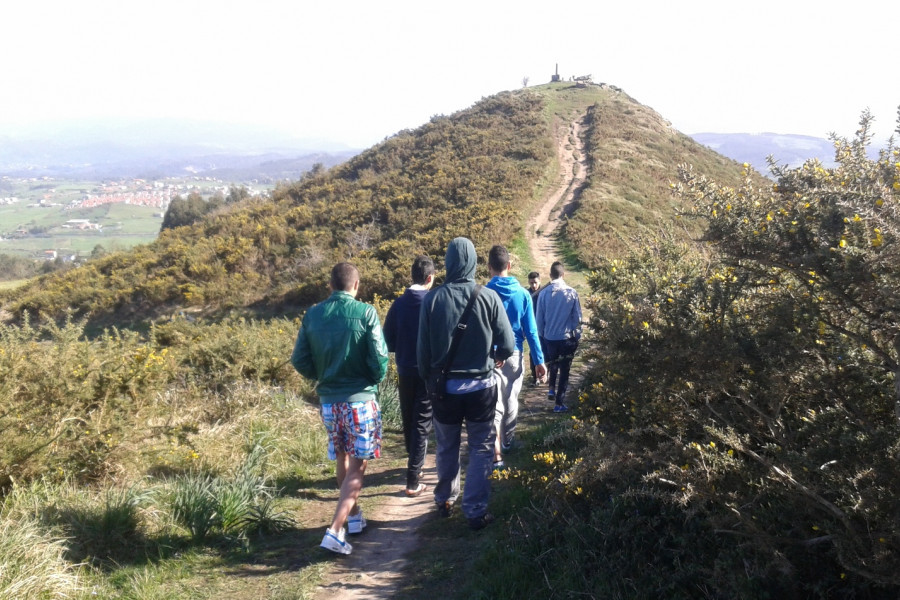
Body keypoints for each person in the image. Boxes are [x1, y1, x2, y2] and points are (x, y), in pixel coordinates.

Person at [291, 262, 389, 555]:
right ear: (356, 286)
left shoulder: (313, 314)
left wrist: (322, 375)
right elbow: (380, 359)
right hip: (359, 399)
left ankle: (355, 517)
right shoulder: (366, 312)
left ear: (330, 286)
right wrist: (371, 380)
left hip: (329, 401)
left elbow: (299, 359)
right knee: (359, 465)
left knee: (342, 457)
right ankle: (335, 530)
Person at [417, 237, 515, 530]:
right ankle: (475, 511)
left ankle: (445, 500)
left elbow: (423, 353)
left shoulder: (432, 299)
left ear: (447, 263)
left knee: (446, 446)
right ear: (473, 262)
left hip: (444, 390)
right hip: (481, 388)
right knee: (481, 447)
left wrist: (429, 381)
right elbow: (508, 344)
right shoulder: (487, 297)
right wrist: (497, 357)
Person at [485, 247, 546, 470]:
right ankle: (508, 440)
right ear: (509, 266)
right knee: (511, 398)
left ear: (489, 267)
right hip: (515, 354)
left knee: (495, 403)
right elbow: (531, 330)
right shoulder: (522, 294)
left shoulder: (484, 293)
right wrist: (539, 360)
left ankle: (495, 448)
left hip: (491, 355)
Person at [383, 255, 435, 497]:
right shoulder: (434, 302)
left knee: (408, 418)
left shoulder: (398, 304)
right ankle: (413, 480)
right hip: (427, 371)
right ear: (430, 278)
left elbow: (388, 341)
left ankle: (415, 462)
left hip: (404, 368)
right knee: (422, 423)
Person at [536, 261, 582, 413]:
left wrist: (542, 336)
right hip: (566, 337)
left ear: (550, 275)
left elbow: (539, 320)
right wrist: (577, 336)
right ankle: (559, 403)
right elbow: (577, 318)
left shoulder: (543, 293)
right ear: (563, 274)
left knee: (553, 363)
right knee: (565, 370)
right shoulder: (571, 292)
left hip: (550, 337)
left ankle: (551, 389)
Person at [527, 271, 543, 387]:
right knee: (533, 351)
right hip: (531, 327)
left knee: (544, 351)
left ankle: (544, 374)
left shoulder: (544, 293)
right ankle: (535, 377)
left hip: (543, 327)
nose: (533, 285)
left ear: (539, 281)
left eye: (535, 282)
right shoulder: (526, 294)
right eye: (531, 283)